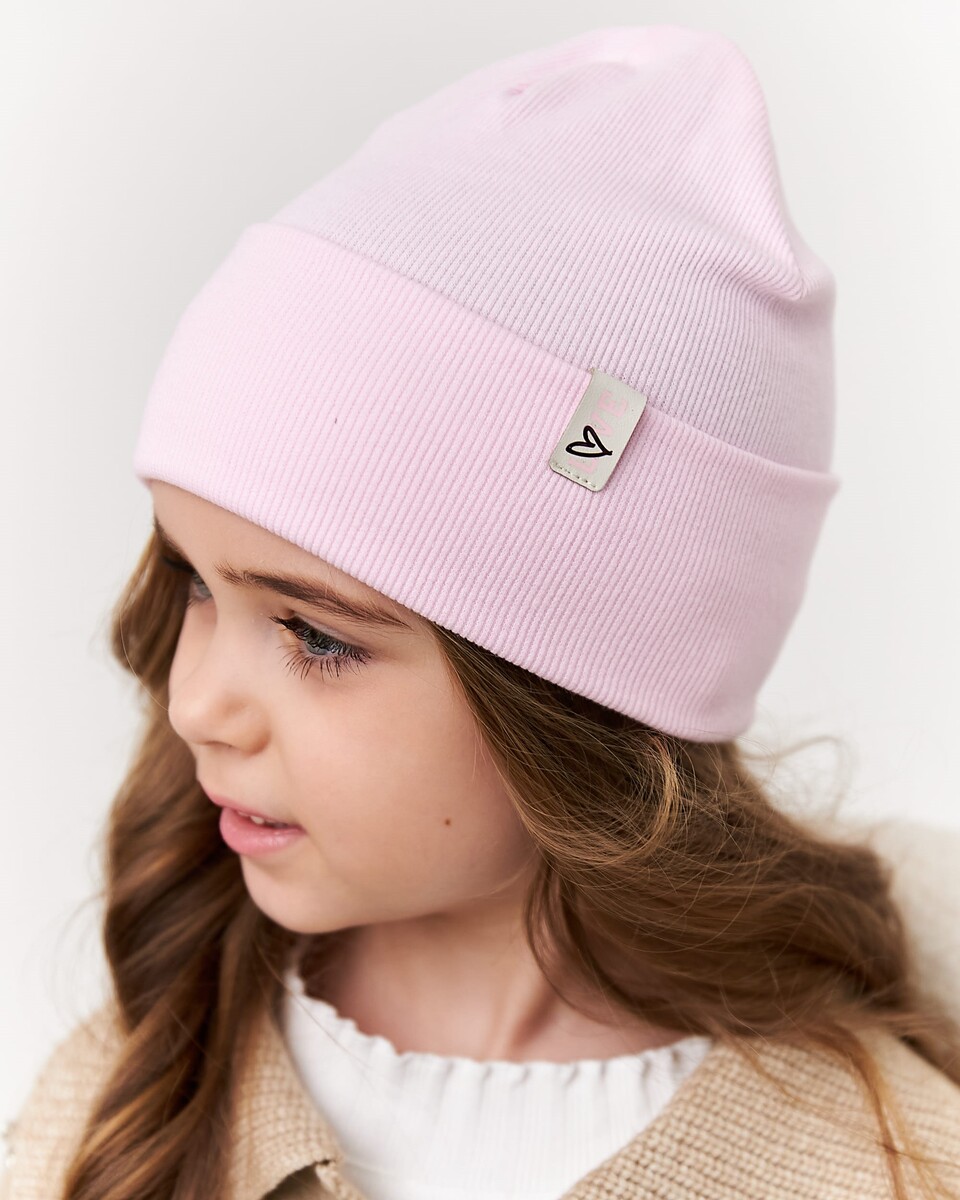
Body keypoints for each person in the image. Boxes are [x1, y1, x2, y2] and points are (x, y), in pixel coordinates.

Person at [3, 23, 960, 1200]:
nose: (196, 701)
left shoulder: (887, 1165)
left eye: (316, 636)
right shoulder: (131, 1096)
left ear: (576, 699)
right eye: (197, 582)